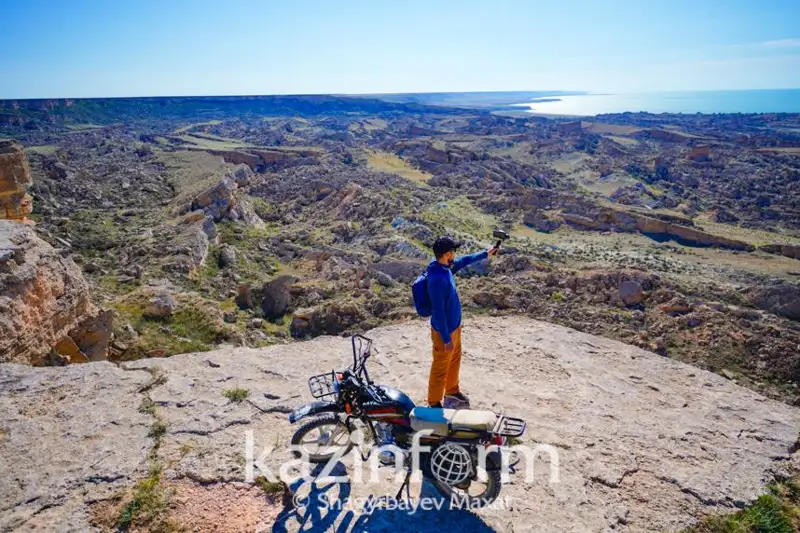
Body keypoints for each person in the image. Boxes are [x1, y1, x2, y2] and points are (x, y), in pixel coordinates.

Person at [426, 236, 498, 409]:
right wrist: (446, 338)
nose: (455, 255)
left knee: (454, 360)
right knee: (440, 368)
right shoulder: (437, 278)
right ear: (447, 254)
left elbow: (464, 261)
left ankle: (451, 391)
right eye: (453, 251)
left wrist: (485, 254)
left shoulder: (445, 268)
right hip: (444, 332)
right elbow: (438, 311)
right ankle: (434, 403)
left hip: (454, 328)